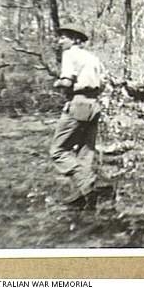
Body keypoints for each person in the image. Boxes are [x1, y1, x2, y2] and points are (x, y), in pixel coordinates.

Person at [49, 24, 110, 209]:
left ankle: (89, 183)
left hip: (78, 104)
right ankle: (84, 198)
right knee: (85, 152)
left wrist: (56, 83)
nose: (60, 41)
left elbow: (67, 81)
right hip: (94, 105)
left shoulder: (70, 55)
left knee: (58, 151)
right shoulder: (93, 57)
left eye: (64, 37)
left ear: (75, 39)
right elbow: (104, 83)